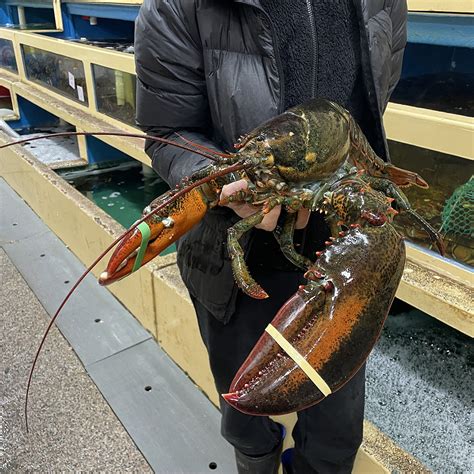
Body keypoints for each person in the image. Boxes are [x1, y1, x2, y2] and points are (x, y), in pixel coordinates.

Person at [134, 1, 407, 472]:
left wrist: (337, 183)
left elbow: (376, 96)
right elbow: (165, 132)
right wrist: (221, 182)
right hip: (228, 259)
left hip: (345, 257)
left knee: (336, 433)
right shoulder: (177, 6)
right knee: (244, 416)